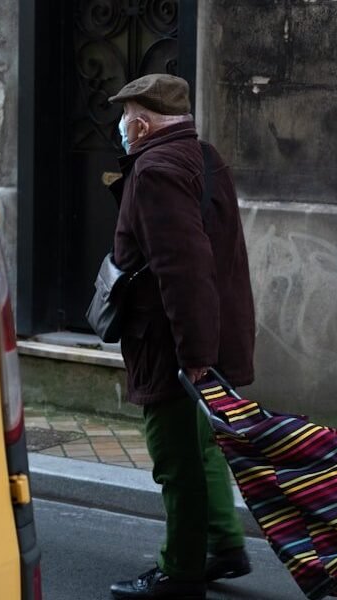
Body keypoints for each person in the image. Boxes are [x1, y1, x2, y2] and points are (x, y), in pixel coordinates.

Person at [105, 74, 257, 599]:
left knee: (175, 459)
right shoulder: (205, 156)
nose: (121, 129)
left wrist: (194, 356)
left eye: (125, 119)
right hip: (212, 335)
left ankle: (182, 570)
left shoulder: (154, 171)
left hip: (172, 345)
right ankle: (222, 543)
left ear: (142, 123)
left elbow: (183, 269)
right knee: (203, 445)